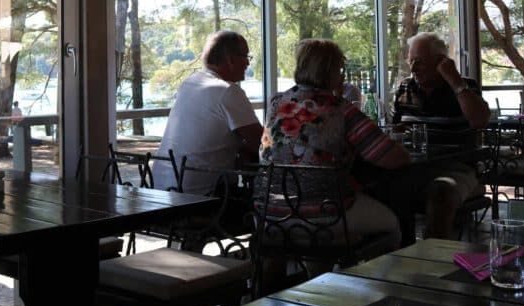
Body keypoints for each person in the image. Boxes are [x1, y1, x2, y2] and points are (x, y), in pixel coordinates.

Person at [261, 39, 409, 252]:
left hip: (270, 213)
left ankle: (322, 269)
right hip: (321, 215)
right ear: (330, 71)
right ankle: (372, 273)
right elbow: (393, 158)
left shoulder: (277, 103)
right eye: (340, 69)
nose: (343, 75)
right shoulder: (340, 109)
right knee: (393, 225)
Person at [391, 32, 490, 240]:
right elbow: (394, 128)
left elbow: (480, 120)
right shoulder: (405, 87)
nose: (413, 68)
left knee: (440, 192)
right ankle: (403, 251)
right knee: (384, 188)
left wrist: (454, 80)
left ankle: (433, 255)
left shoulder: (464, 87)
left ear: (441, 62)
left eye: (419, 62)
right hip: (415, 169)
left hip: (457, 169)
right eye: (411, 61)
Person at [151, 31, 263, 194]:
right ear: (230, 59)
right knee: (264, 201)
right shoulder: (228, 91)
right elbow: (262, 144)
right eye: (245, 56)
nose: (247, 63)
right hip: (199, 197)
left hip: (161, 189)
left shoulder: (189, 83)